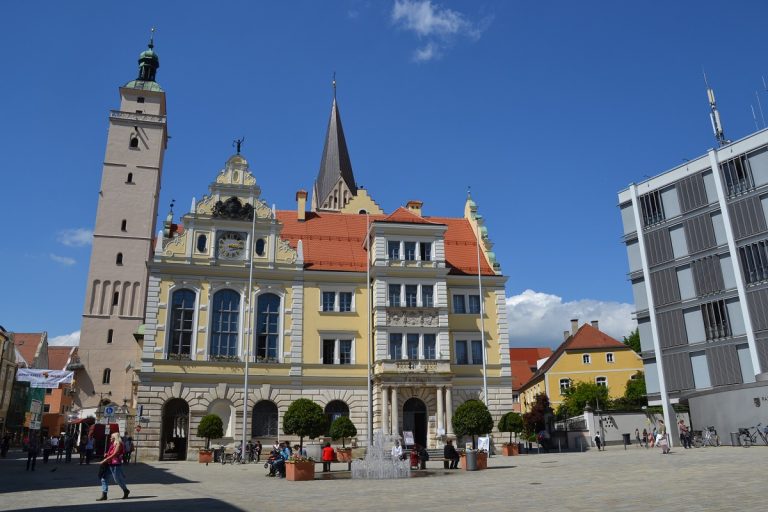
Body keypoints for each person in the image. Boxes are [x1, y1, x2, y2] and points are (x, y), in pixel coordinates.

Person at [98, 432, 130, 501]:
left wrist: (105, 460)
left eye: (111, 437)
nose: (110, 438)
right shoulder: (113, 444)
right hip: (109, 463)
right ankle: (104, 495)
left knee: (117, 480)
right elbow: (111, 453)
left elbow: (115, 454)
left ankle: (126, 490)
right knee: (104, 478)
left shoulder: (119, 444)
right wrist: (107, 454)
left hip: (115, 464)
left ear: (115, 437)